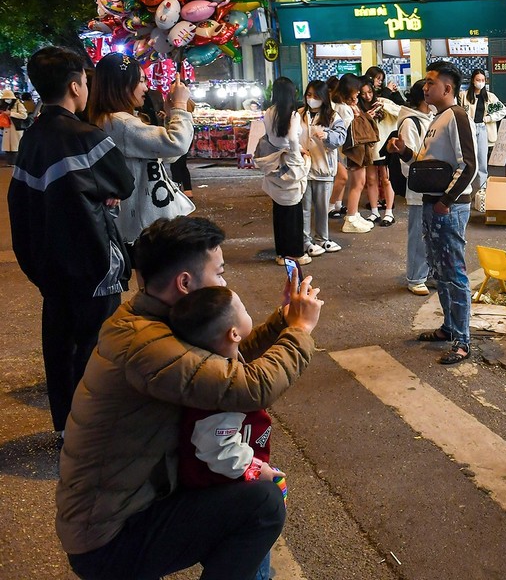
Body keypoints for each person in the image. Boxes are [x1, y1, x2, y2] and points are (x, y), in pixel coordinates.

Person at [57, 215, 323, 580]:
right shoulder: (146, 345)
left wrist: (282, 323)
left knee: (249, 491)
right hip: (110, 537)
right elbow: (249, 387)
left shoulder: (156, 318)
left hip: (133, 503)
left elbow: (225, 356)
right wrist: (300, 331)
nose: (225, 282)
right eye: (220, 273)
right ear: (185, 283)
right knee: (261, 504)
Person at [8, 46, 135, 438]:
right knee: (97, 349)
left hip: (48, 267)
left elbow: (21, 203)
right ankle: (92, 429)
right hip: (94, 262)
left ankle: (66, 426)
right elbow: (124, 184)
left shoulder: (31, 139)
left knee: (60, 347)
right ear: (75, 85)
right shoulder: (86, 137)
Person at [170, 287, 286, 580]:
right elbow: (217, 448)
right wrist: (254, 469)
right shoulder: (221, 388)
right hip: (223, 485)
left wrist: (285, 314)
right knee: (254, 530)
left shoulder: (215, 364)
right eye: (245, 310)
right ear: (234, 333)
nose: (249, 314)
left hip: (224, 481)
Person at [391, 61, 476, 364]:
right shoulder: (438, 118)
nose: (424, 88)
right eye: (425, 83)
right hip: (433, 203)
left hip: (447, 207)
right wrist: (404, 152)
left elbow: (470, 165)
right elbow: (430, 163)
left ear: (448, 88)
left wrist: (446, 201)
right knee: (440, 272)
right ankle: (449, 327)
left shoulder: (456, 116)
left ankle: (463, 341)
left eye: (430, 83)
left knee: (454, 272)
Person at [89, 52, 194, 244]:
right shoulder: (122, 123)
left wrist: (171, 114)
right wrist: (179, 106)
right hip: (147, 225)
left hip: (148, 220)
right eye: (142, 81)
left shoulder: (115, 121)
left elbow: (166, 155)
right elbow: (177, 144)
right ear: (122, 85)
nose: (146, 87)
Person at [385, 79, 435, 296]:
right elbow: (409, 161)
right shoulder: (410, 122)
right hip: (418, 188)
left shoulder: (431, 118)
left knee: (431, 233)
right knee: (418, 234)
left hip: (432, 186)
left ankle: (429, 273)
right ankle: (415, 277)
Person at [258, 77, 311, 266]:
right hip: (290, 159)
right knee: (294, 210)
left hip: (275, 162)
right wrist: (298, 154)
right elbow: (292, 138)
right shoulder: (293, 115)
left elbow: (270, 138)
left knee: (279, 211)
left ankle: (281, 253)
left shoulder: (269, 112)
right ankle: (296, 253)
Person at [300, 80, 345, 256]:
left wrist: (327, 135)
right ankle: (305, 241)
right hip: (304, 169)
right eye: (308, 95)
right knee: (304, 207)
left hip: (323, 168)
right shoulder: (299, 114)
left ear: (324, 97)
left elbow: (340, 138)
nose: (311, 99)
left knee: (322, 207)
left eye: (316, 96)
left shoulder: (333, 116)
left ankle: (322, 239)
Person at [335, 74, 377, 234]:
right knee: (358, 183)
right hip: (353, 150)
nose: (359, 94)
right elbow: (346, 130)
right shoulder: (344, 108)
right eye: (357, 91)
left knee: (357, 183)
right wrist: (360, 117)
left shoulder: (341, 105)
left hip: (351, 151)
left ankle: (354, 214)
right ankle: (351, 217)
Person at [459, 69, 506, 200]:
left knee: (482, 161)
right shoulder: (464, 95)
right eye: (478, 80)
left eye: (482, 80)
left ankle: (482, 193)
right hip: (469, 129)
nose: (480, 82)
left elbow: (503, 110)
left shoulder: (489, 97)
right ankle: (465, 191)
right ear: (472, 81)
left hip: (483, 128)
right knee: (467, 159)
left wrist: (489, 118)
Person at [358, 79, 400, 227]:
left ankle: (389, 212)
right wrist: (366, 117)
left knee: (387, 178)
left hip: (385, 146)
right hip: (369, 148)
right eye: (363, 94)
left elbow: (400, 112)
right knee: (371, 179)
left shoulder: (383, 101)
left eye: (369, 92)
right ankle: (374, 211)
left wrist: (384, 106)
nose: (367, 96)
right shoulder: (359, 108)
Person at [326, 75, 350, 220]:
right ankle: (330, 206)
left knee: (341, 177)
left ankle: (337, 205)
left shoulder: (338, 106)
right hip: (332, 147)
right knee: (342, 177)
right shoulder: (334, 107)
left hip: (337, 147)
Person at [2, 87, 29, 162]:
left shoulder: (18, 104)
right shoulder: (5, 105)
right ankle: (10, 162)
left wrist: (11, 113)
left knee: (15, 147)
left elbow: (24, 115)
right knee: (8, 147)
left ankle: (15, 162)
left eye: (8, 98)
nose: (6, 100)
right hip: (7, 128)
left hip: (16, 128)